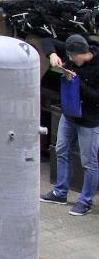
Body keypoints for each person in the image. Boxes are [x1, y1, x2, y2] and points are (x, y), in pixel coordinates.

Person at [40, 34, 99, 216]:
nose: (71, 59)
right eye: (69, 57)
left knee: (89, 162)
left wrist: (77, 81)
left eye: (73, 57)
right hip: (70, 114)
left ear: (84, 53)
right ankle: (60, 192)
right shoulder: (73, 51)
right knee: (61, 150)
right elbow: (46, 41)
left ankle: (85, 201)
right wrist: (51, 54)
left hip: (90, 119)